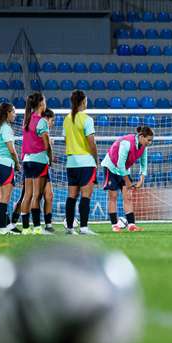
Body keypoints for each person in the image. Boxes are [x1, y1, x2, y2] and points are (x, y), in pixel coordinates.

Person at [101, 125, 153, 234]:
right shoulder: (127, 143)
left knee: (128, 196)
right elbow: (120, 164)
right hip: (111, 167)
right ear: (142, 137)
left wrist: (141, 179)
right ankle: (115, 225)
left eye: (151, 141)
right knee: (113, 196)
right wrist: (128, 181)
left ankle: (131, 225)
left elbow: (144, 164)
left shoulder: (143, 147)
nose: (150, 142)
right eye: (148, 140)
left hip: (124, 169)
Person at [63, 90, 99, 235]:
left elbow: (66, 140)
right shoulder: (87, 119)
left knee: (71, 196)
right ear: (84, 101)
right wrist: (96, 159)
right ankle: (83, 228)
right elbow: (91, 142)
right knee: (86, 195)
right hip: (86, 162)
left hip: (71, 162)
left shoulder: (67, 119)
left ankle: (70, 228)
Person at [18, 92, 52, 235]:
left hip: (27, 160)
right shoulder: (42, 121)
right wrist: (50, 156)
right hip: (39, 161)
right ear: (40, 104)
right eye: (44, 101)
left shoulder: (27, 119)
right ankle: (37, 227)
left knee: (27, 195)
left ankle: (25, 228)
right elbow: (46, 144)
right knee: (36, 196)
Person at [0, 102, 21, 234]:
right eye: (13, 112)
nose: (15, 114)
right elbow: (12, 150)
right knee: (4, 199)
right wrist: (17, 163)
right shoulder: (6, 128)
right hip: (6, 165)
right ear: (7, 113)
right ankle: (2, 228)